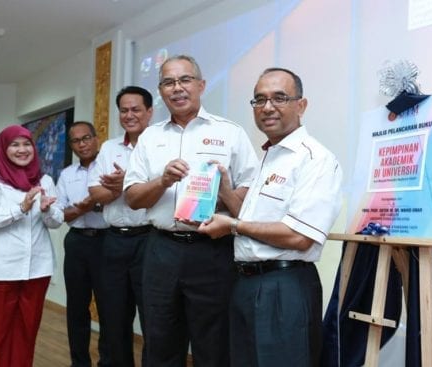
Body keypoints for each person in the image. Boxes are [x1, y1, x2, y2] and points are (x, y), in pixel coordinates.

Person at [197, 67, 343, 367]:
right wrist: (225, 191)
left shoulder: (315, 159)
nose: (267, 107)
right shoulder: (268, 156)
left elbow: (299, 237)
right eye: (259, 100)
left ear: (301, 105)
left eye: (279, 98)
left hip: (284, 287)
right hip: (246, 284)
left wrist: (233, 225)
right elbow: (255, 224)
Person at [123, 55, 258, 367]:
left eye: (185, 80)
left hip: (212, 250)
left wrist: (222, 190)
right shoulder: (150, 137)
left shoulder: (230, 133)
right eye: (169, 82)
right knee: (160, 343)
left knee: (214, 345)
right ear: (161, 90)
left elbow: (250, 193)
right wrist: (163, 180)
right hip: (161, 250)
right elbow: (132, 197)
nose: (177, 88)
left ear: (201, 85)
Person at [0, 125, 64, 367]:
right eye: (15, 144)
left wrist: (47, 210)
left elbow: (56, 222)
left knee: (27, 334)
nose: (22, 150)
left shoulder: (44, 179)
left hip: (37, 270)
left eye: (27, 144)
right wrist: (21, 208)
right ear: (3, 148)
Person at [87, 86, 153, 367]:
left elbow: (160, 194)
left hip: (151, 241)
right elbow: (96, 194)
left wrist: (122, 184)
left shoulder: (160, 145)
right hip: (113, 242)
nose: (129, 115)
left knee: (154, 319)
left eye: (136, 109)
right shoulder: (109, 147)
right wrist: (131, 187)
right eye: (124, 110)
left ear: (149, 112)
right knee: (113, 318)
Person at [56, 121, 112, 367]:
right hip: (77, 243)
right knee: (77, 308)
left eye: (86, 138)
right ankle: (79, 362)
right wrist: (90, 203)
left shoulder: (109, 169)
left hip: (107, 243)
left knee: (109, 307)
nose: (82, 144)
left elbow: (116, 203)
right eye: (76, 141)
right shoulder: (67, 175)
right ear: (71, 145)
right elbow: (61, 215)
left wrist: (79, 206)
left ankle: (107, 361)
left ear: (96, 138)